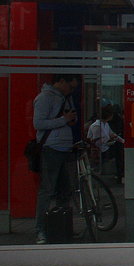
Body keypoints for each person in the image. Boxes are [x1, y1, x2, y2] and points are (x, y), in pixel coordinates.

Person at [33, 74, 79, 244]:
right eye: (70, 86)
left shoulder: (67, 99)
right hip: (51, 148)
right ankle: (41, 229)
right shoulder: (44, 98)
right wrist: (63, 120)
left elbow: (70, 120)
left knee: (65, 190)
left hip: (66, 147)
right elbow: (38, 123)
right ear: (61, 82)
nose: (72, 90)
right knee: (48, 189)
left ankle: (62, 228)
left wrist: (70, 120)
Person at [86, 104, 125, 178]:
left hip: (105, 146)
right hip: (101, 147)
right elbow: (97, 139)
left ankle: (120, 172)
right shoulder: (98, 125)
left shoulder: (105, 124)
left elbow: (112, 134)